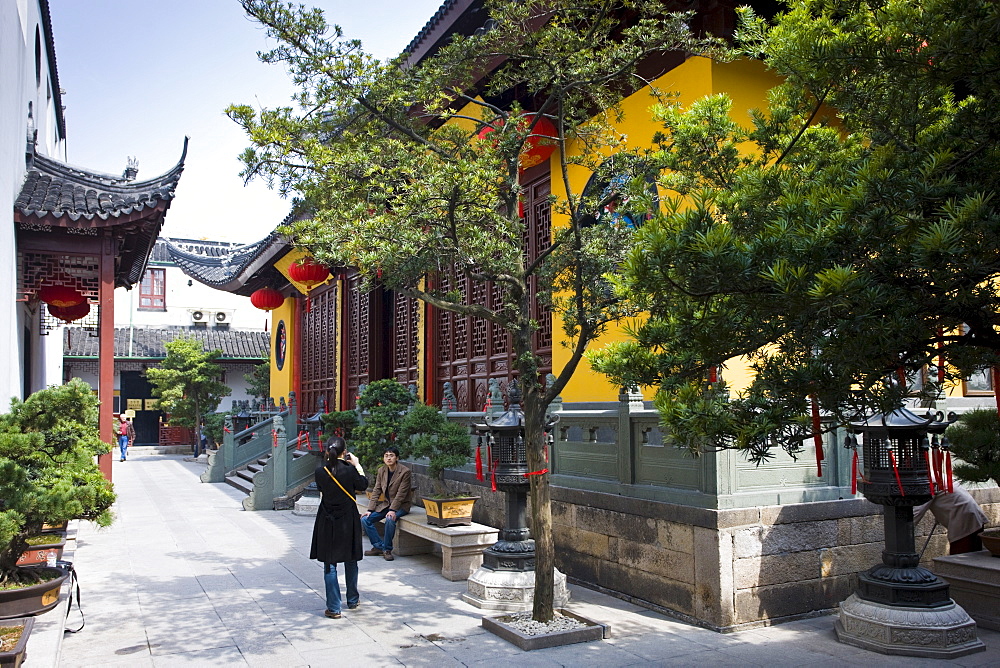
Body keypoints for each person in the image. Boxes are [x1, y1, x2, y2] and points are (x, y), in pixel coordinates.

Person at [310, 436, 367, 619]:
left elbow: (322, 489)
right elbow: (363, 485)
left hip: (327, 518)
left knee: (330, 563)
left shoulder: (320, 471)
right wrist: (357, 465)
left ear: (327, 451)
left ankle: (334, 608)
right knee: (351, 560)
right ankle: (352, 599)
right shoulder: (350, 470)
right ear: (345, 452)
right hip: (348, 519)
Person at [361, 446, 413, 561]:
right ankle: (378, 547)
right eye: (386, 455)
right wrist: (370, 510)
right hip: (386, 504)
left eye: (391, 455)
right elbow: (376, 490)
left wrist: (393, 510)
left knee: (390, 519)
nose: (388, 458)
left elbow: (401, 494)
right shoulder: (381, 470)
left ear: (397, 458)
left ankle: (387, 549)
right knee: (365, 519)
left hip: (401, 506)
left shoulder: (405, 472)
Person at [915, 481, 988, 554]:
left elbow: (917, 511)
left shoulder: (927, 481)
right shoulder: (934, 475)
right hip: (970, 513)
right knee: (973, 553)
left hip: (963, 516)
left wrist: (906, 528)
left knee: (960, 556)